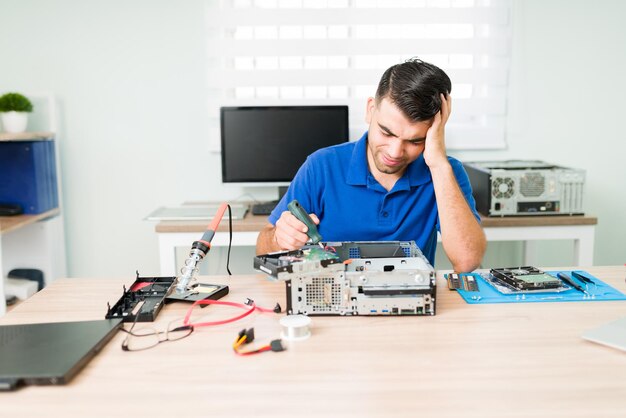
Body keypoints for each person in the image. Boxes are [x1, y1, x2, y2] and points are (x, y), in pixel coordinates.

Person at [256, 58, 486, 272]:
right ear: (370, 109)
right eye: (386, 132)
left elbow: (467, 261)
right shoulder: (322, 166)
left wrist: (438, 164)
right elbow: (262, 248)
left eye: (415, 140)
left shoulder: (446, 172)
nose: (395, 152)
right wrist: (279, 237)